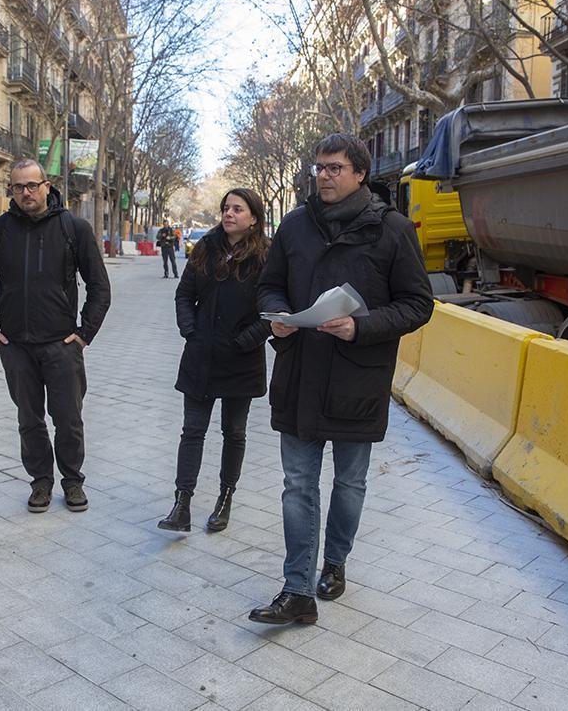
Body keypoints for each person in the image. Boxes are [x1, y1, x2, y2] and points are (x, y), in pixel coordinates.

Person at [248, 133, 433, 626]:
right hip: (300, 372)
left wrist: (361, 326)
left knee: (349, 483)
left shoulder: (392, 230)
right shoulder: (294, 226)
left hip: (359, 379)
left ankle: (335, 562)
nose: (324, 176)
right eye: (319, 168)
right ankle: (297, 590)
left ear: (359, 174)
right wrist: (277, 315)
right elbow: (268, 286)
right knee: (298, 485)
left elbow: (418, 304)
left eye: (334, 168)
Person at [0, 159, 111, 514]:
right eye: (18, 187)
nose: (25, 193)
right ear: (11, 191)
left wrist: (83, 334)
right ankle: (40, 483)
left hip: (62, 346)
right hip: (16, 347)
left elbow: (99, 287)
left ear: (47, 186)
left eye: (32, 185)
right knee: (29, 419)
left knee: (68, 418)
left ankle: (72, 481)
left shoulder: (73, 228)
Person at [158, 189, 271, 534]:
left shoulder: (267, 257)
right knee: (192, 431)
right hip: (201, 356)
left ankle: (225, 499)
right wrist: (190, 331)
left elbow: (273, 309)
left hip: (241, 359)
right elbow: (184, 295)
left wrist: (246, 340)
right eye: (225, 208)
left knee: (233, 432)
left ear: (253, 217)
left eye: (238, 209)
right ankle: (182, 504)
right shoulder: (206, 248)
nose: (229, 214)